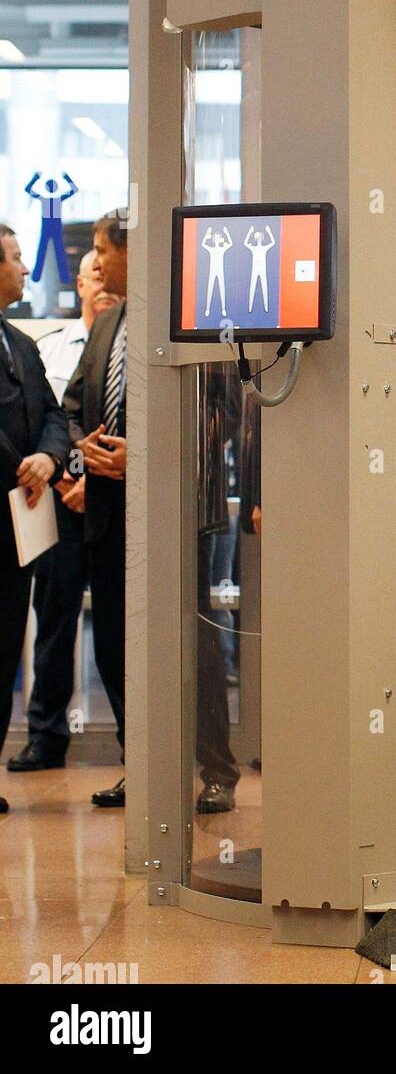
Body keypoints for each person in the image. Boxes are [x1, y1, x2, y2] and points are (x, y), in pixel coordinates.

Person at [7, 250, 121, 773]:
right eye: (93, 274)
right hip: (51, 502)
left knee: (120, 630)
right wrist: (66, 470)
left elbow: (59, 419)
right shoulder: (44, 347)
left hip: (103, 501)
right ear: (78, 283)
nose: (103, 282)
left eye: (107, 271)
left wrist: (79, 471)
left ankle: (134, 743)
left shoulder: (131, 343)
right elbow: (61, 415)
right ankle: (46, 734)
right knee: (53, 621)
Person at [0, 225, 71, 815]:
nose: (25, 269)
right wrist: (21, 468)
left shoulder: (19, 341)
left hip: (18, 533)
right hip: (12, 499)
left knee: (5, 652)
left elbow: (53, 411)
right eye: (17, 258)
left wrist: (47, 457)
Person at [62, 214, 129, 808]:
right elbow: (73, 402)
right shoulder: (106, 323)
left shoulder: (176, 326)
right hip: (106, 517)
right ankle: (142, 764)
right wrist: (85, 445)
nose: (97, 263)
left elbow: (215, 418)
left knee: (177, 647)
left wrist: (143, 457)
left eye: (104, 250)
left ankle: (197, 769)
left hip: (165, 520)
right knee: (113, 641)